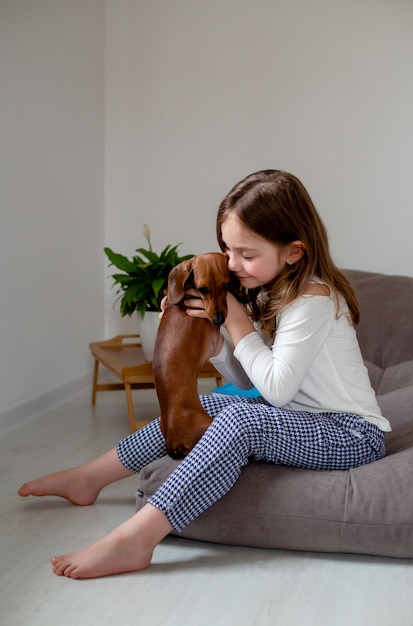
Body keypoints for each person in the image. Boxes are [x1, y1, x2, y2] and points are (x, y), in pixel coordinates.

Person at [18, 169, 391, 579]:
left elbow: (277, 391)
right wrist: (217, 346)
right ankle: (89, 477)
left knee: (238, 417)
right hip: (304, 422)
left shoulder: (313, 300)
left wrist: (236, 323)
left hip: (350, 435)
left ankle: (137, 539)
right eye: (227, 251)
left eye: (247, 255)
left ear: (294, 252)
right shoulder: (270, 292)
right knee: (205, 405)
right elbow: (251, 379)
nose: (233, 265)